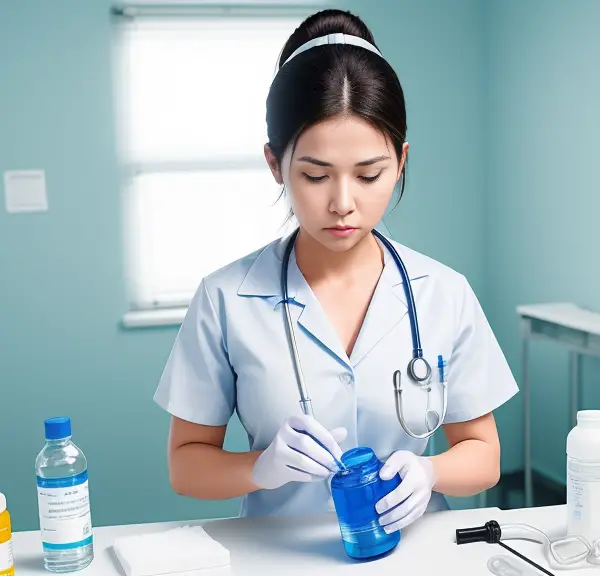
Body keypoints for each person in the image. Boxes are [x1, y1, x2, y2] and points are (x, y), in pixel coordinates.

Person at [154, 9, 519, 534]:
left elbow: (482, 455)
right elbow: (186, 466)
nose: (343, 203)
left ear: (401, 160)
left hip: (416, 555)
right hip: (274, 559)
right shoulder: (225, 298)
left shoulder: (444, 293)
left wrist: (429, 470)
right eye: (315, 175)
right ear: (274, 164)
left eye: (370, 174)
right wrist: (260, 468)